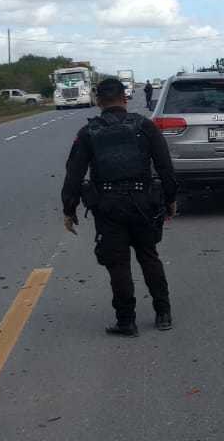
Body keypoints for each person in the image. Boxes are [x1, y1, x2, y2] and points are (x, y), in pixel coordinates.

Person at [61, 78, 178, 337]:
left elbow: (74, 174)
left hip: (108, 206)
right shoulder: (145, 126)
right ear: (125, 98)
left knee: (118, 263)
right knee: (149, 256)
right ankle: (163, 313)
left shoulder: (88, 133)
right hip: (143, 203)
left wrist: (69, 209)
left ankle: (126, 320)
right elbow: (165, 167)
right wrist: (170, 199)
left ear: (98, 101)